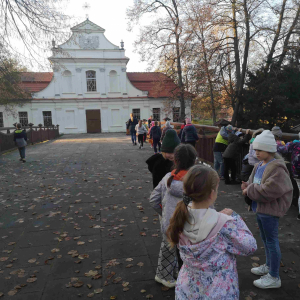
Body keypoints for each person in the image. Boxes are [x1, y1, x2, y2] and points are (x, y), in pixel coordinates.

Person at [167, 165, 257, 299]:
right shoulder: (224, 224)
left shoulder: (179, 218)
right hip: (219, 291)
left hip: (187, 290)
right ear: (211, 193)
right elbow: (250, 247)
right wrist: (235, 218)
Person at [242, 130, 293, 289]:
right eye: (255, 150)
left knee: (271, 241)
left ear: (270, 150)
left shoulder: (277, 168)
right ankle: (269, 265)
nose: (256, 153)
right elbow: (252, 183)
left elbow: (270, 190)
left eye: (259, 150)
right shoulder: (258, 165)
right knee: (265, 240)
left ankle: (274, 276)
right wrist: (248, 188)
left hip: (270, 211)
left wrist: (249, 190)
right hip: (260, 209)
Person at [149, 144, 197, 288]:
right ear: (194, 161)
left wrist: (164, 214)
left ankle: (164, 275)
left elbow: (153, 200)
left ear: (175, 161)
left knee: (168, 250)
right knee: (189, 252)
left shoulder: (167, 178)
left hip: (169, 223)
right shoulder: (196, 182)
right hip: (190, 224)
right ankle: (187, 276)